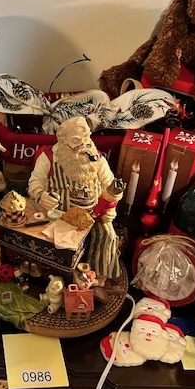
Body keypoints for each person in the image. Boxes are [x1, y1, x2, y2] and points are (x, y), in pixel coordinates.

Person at [28, 116, 124, 279]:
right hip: (61, 215)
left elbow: (111, 185)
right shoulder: (49, 157)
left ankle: (99, 277)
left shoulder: (96, 157)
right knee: (59, 244)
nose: (83, 144)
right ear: (63, 140)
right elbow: (34, 182)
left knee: (107, 236)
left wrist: (111, 207)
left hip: (93, 214)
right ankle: (61, 275)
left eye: (86, 137)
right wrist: (41, 195)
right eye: (76, 140)